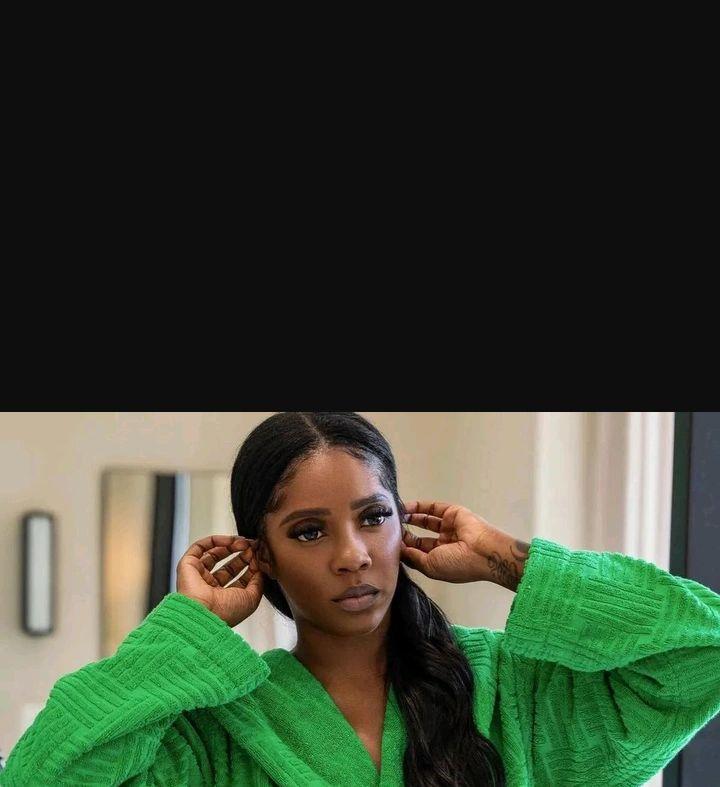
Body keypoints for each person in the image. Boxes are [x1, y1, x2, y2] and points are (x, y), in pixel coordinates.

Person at [2, 412, 719, 786]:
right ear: (262, 556)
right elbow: (43, 778)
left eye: (374, 516)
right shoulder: (216, 733)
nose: (352, 554)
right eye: (309, 531)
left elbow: (702, 653)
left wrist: (510, 560)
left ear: (403, 524)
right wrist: (183, 632)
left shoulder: (511, 693)